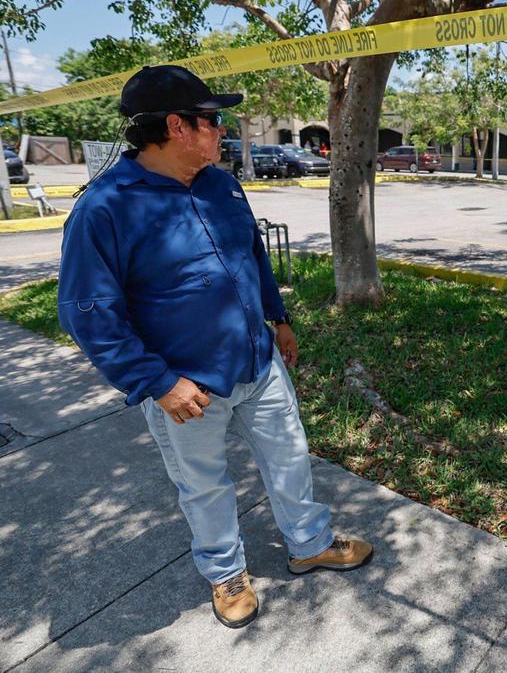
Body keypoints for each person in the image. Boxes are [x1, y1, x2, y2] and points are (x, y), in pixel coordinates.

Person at [57, 65, 372, 630]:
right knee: (203, 486)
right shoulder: (105, 208)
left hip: (258, 361)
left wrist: (278, 317)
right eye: (213, 119)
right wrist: (157, 383)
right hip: (185, 387)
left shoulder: (221, 183)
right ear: (177, 126)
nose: (222, 129)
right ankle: (226, 573)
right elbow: (89, 314)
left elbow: (251, 255)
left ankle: (310, 544)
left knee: (290, 457)